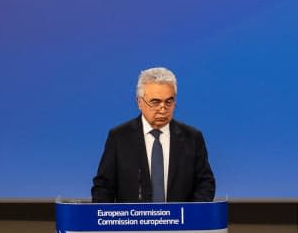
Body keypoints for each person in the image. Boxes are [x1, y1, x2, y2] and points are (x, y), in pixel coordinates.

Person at [91, 67, 216, 202]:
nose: (163, 109)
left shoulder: (192, 138)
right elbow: (103, 187)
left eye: (169, 102)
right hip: (132, 221)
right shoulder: (119, 138)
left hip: (181, 220)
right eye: (155, 102)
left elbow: (205, 183)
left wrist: (192, 216)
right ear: (140, 102)